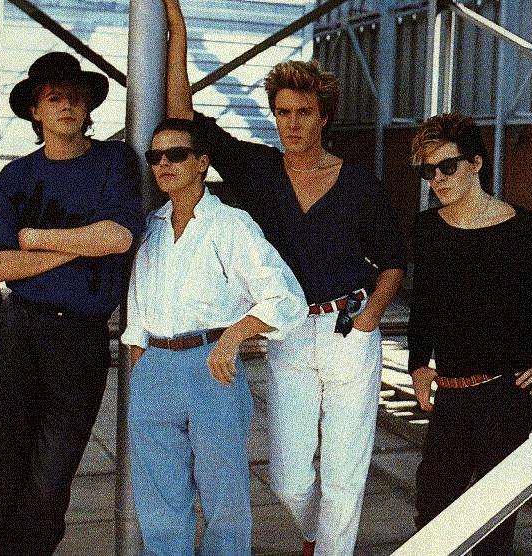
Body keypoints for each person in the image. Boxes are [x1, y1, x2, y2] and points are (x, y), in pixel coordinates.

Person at [161, 2, 407, 554]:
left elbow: (393, 260)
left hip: (350, 330)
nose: (292, 123)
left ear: (324, 117)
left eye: (303, 112)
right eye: (282, 112)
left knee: (344, 475)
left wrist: (369, 319)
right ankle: (319, 537)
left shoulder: (360, 183)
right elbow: (182, 117)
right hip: (288, 335)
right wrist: (178, 30)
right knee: (289, 477)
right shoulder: (258, 170)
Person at [121, 118, 307, 554]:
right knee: (159, 502)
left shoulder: (230, 225)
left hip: (211, 365)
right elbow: (137, 311)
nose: (164, 164)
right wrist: (143, 368)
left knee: (224, 499)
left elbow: (286, 297)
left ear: (202, 162)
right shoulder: (151, 228)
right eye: (155, 157)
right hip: (154, 367)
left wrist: (232, 337)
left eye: (176, 154)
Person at [0, 52, 143, 555]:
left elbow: (117, 237)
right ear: (35, 111)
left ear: (89, 107)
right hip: (17, 331)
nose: (67, 105)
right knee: (3, 464)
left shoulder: (114, 161)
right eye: (54, 97)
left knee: (52, 472)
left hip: (78, 336)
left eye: (76, 97)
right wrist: (77, 245)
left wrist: (34, 238)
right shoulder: (15, 176)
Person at [407, 113, 532, 555]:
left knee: (493, 520)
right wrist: (418, 363)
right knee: (432, 508)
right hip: (451, 392)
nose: (437, 179)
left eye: (447, 167)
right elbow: (423, 304)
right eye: (428, 171)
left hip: (507, 394)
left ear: (477, 163)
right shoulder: (427, 230)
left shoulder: (528, 231)